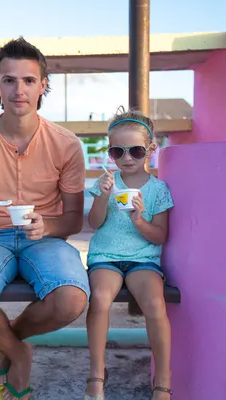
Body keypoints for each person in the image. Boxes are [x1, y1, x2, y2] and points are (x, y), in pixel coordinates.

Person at [0, 37, 89, 400]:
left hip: (47, 239)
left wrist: (49, 226)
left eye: (28, 80)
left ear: (43, 86)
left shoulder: (66, 144)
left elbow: (73, 219)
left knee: (71, 299)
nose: (18, 89)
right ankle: (19, 354)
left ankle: (10, 340)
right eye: (9, 80)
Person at [83, 107, 174, 400]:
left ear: (150, 149)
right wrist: (103, 197)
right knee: (99, 299)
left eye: (135, 150)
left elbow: (160, 235)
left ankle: (162, 379)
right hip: (106, 256)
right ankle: (96, 375)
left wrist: (139, 220)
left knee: (155, 304)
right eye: (117, 152)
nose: (127, 159)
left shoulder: (159, 190)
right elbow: (94, 223)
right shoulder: (105, 183)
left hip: (143, 258)